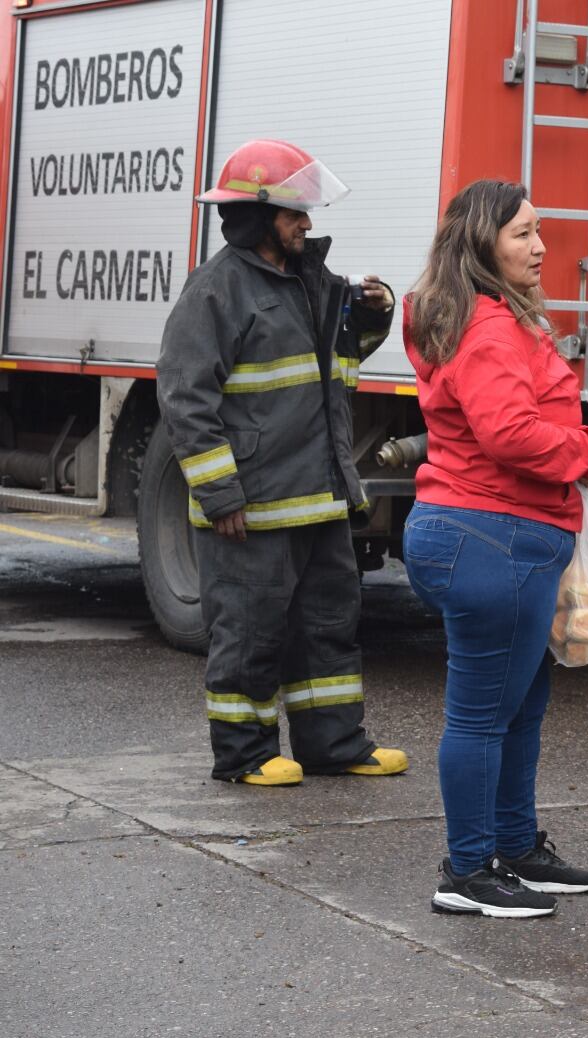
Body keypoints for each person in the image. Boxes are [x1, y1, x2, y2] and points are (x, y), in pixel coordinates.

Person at [158, 139, 407, 788]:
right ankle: (243, 754)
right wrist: (221, 495)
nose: (307, 224)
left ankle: (334, 744)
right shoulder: (215, 291)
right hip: (255, 507)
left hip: (317, 495)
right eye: (295, 214)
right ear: (258, 216)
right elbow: (187, 399)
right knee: (247, 635)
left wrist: (375, 315)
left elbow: (338, 367)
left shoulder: (310, 280)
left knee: (328, 628)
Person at [402, 179, 588, 918]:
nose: (541, 246)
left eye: (540, 229)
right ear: (482, 243)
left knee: (518, 705)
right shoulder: (489, 328)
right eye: (523, 233)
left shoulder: (478, 318)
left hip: (489, 533)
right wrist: (585, 452)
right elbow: (509, 433)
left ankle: (515, 848)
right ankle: (466, 872)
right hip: (491, 535)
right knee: (482, 715)